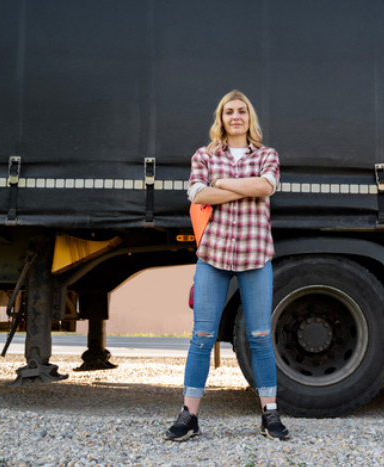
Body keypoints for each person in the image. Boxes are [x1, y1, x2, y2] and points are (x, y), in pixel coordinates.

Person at [165, 90, 289, 441]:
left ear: (250, 118)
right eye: (229, 112)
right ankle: (189, 416)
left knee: (261, 337)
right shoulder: (204, 155)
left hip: (254, 256)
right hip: (213, 256)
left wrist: (220, 184)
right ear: (221, 119)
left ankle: (270, 414)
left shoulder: (267, 155)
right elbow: (197, 195)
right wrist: (244, 189)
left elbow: (267, 186)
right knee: (201, 336)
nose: (236, 116)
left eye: (242, 111)